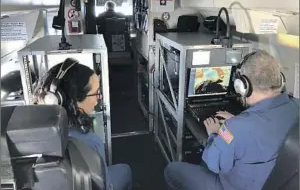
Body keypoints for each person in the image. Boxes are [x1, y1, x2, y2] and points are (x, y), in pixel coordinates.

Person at [164, 50, 299, 190]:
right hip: (272, 183)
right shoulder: (296, 108)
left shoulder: (235, 128)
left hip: (230, 186)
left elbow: (213, 163)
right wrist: (239, 121)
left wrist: (215, 133)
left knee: (171, 170)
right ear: (280, 79)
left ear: (243, 86)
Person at [34, 58, 132, 190]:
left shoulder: (32, 134)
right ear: (75, 101)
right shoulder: (90, 143)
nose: (100, 97)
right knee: (125, 170)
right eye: (96, 92)